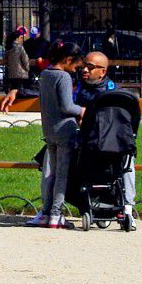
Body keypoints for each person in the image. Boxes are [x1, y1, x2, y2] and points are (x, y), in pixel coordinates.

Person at [76, 50, 136, 217]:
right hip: (90, 141)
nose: (84, 70)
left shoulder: (114, 93)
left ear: (103, 72)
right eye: (83, 66)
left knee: (127, 160)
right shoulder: (79, 90)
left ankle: (128, 206)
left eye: (90, 67)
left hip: (113, 141)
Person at [32, 43, 85, 227]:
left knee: (51, 174)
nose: (76, 69)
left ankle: (46, 212)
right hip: (65, 130)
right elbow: (67, 106)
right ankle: (56, 214)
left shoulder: (45, 74)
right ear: (67, 60)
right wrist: (82, 110)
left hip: (49, 130)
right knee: (62, 175)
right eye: (76, 65)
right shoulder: (63, 77)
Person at [0, 28, 33, 111]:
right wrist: (27, 68)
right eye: (21, 38)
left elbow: (5, 61)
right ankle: (16, 106)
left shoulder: (8, 48)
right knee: (20, 90)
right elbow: (25, 60)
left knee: (13, 89)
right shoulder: (20, 47)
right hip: (21, 73)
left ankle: (8, 106)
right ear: (18, 38)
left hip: (11, 73)